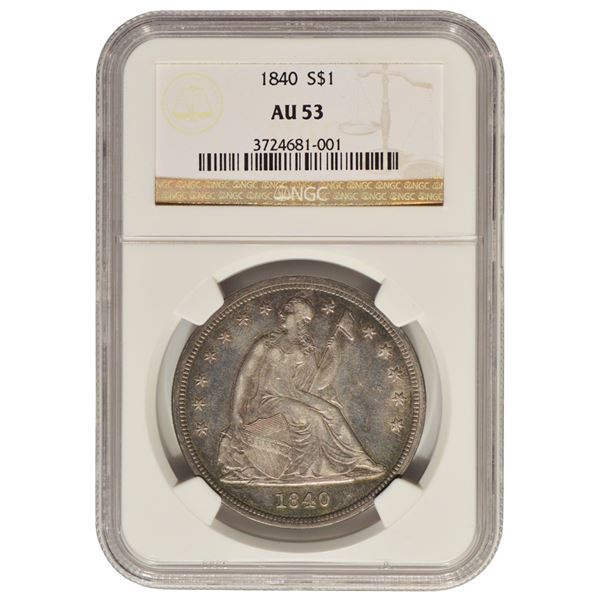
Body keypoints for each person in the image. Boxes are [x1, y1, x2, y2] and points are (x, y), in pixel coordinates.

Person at [218, 297, 384, 483]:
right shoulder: (267, 343)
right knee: (311, 418)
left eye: (302, 319)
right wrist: (235, 412)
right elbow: (245, 375)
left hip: (294, 396)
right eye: (295, 315)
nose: (299, 322)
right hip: (268, 400)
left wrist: (335, 356)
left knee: (333, 412)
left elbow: (319, 383)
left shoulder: (305, 349)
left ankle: (358, 462)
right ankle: (306, 469)